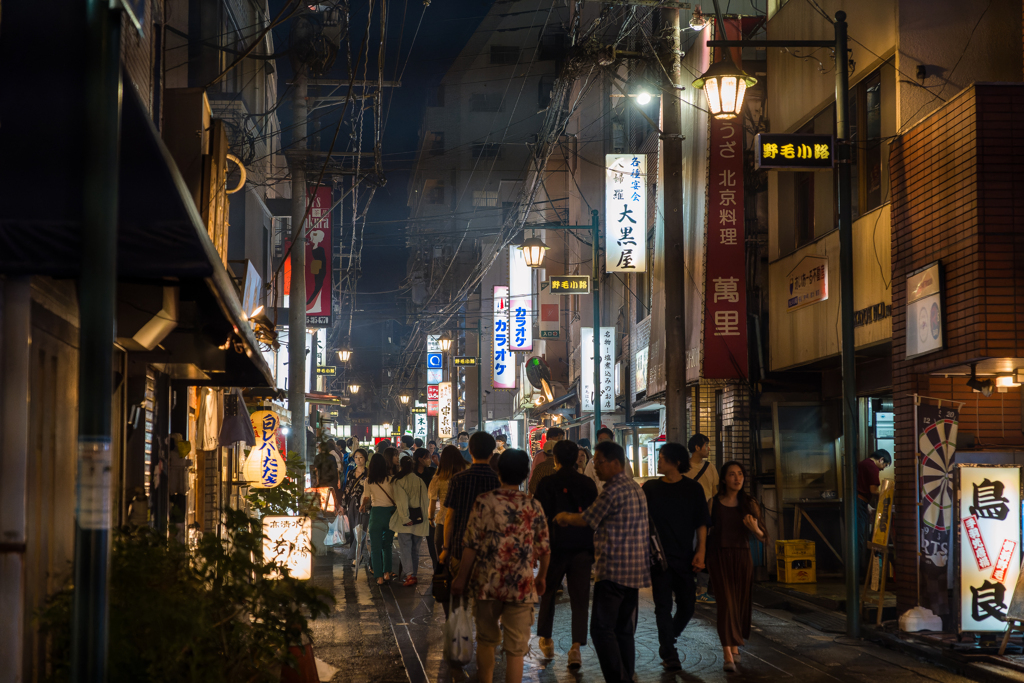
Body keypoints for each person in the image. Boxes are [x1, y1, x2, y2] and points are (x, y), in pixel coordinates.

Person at [452, 449, 550, 683]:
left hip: (487, 583)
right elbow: (544, 547)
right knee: (516, 650)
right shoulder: (532, 504)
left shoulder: (484, 502)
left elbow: (471, 545)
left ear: (499, 472)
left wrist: (461, 578)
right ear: (526, 474)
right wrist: (542, 577)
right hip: (521, 585)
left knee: (486, 641)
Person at [555, 441, 650, 683]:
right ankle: (626, 675)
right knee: (624, 630)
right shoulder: (635, 488)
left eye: (598, 462)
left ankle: (618, 679)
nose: (594, 467)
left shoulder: (613, 490)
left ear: (616, 463)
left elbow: (588, 518)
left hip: (614, 570)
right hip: (635, 572)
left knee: (601, 629)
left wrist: (564, 517)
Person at [642, 442, 710, 670]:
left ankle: (668, 640)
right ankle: (669, 652)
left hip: (685, 555)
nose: (658, 461)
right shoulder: (650, 488)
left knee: (687, 606)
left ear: (676, 462)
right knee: (662, 605)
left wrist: (701, 551)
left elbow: (702, 523)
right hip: (658, 558)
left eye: (661, 457)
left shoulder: (693, 489)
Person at [534, 440, 598, 670]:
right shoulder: (588, 483)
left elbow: (539, 517)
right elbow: (594, 516)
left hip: (554, 548)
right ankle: (575, 649)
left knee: (548, 592)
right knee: (580, 599)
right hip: (582, 548)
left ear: (556, 459)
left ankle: (547, 640)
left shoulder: (548, 483)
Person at [707, 461, 765, 672]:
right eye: (732, 475)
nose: (737, 478)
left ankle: (735, 644)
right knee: (726, 605)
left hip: (742, 557)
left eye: (740, 474)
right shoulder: (713, 503)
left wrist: (755, 529)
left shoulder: (749, 503)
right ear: (723, 479)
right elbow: (705, 531)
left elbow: (764, 538)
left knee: (739, 604)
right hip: (719, 557)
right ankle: (727, 653)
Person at [440, 432, 500, 589]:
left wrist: (446, 548)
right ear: (492, 453)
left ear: (470, 451)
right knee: (485, 601)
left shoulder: (458, 480)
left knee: (461, 602)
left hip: (460, 548)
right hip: (490, 551)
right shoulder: (497, 481)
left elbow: (449, 517)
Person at [685, 433, 719, 605]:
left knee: (703, 550)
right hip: (686, 517)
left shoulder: (710, 467)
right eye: (707, 445)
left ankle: (702, 590)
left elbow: (713, 496)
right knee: (689, 551)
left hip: (703, 516)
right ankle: (690, 588)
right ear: (697, 447)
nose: (709, 448)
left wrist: (710, 518)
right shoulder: (684, 467)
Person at [391, 455, 431, 586]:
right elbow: (425, 501)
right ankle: (413, 574)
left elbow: (402, 501)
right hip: (419, 520)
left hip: (406, 522)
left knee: (405, 548)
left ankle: (409, 575)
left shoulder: (399, 481)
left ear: (401, 466)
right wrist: (424, 519)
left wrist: (405, 518)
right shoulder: (419, 481)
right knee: (415, 549)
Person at [428, 446, 466, 579]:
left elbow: (432, 500)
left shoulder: (439, 476)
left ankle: (444, 579)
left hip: (443, 519)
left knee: (442, 552)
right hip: (465, 520)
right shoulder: (466, 471)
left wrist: (430, 517)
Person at [361, 450, 398, 585]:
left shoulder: (368, 481)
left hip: (376, 514)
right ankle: (387, 573)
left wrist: (362, 506)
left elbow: (366, 498)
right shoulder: (392, 479)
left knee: (375, 546)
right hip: (390, 513)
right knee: (387, 544)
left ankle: (379, 577)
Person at [857, 449, 892, 575]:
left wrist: (868, 507)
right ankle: (858, 573)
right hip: (859, 504)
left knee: (857, 538)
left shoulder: (862, 464)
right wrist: (888, 493)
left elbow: (858, 489)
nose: (882, 469)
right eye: (884, 465)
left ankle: (856, 573)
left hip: (859, 503)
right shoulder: (872, 467)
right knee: (859, 539)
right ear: (881, 459)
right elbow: (873, 490)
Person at [344, 448, 369, 559]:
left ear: (365, 459)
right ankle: (355, 553)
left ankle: (356, 554)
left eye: (361, 457)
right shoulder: (351, 472)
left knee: (361, 528)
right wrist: (343, 505)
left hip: (364, 503)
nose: (358, 460)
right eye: (356, 457)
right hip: (351, 503)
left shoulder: (369, 473)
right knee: (353, 528)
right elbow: (347, 489)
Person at [528, 427, 564, 494]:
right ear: (550, 439)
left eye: (562, 439)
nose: (561, 441)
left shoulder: (563, 455)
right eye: (558, 438)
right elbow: (532, 478)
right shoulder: (540, 456)